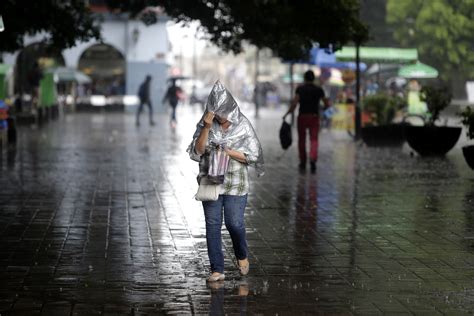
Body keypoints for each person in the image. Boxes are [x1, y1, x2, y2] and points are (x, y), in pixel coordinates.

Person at [187, 80, 264, 282]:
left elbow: (253, 156)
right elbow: (198, 151)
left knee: (234, 223)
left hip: (236, 183)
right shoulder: (207, 124)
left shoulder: (243, 125)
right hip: (212, 177)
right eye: (216, 112)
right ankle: (217, 269)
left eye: (222, 112)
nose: (220, 117)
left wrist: (228, 151)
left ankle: (241, 255)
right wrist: (205, 125)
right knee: (212, 224)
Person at [283, 70, 330, 172]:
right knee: (314, 139)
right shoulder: (319, 89)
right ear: (313, 78)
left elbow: (295, 104)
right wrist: (325, 114)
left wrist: (287, 114)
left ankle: (303, 161)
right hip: (314, 117)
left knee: (302, 140)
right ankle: (313, 158)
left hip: (302, 117)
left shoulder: (300, 89)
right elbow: (326, 104)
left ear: (304, 78)